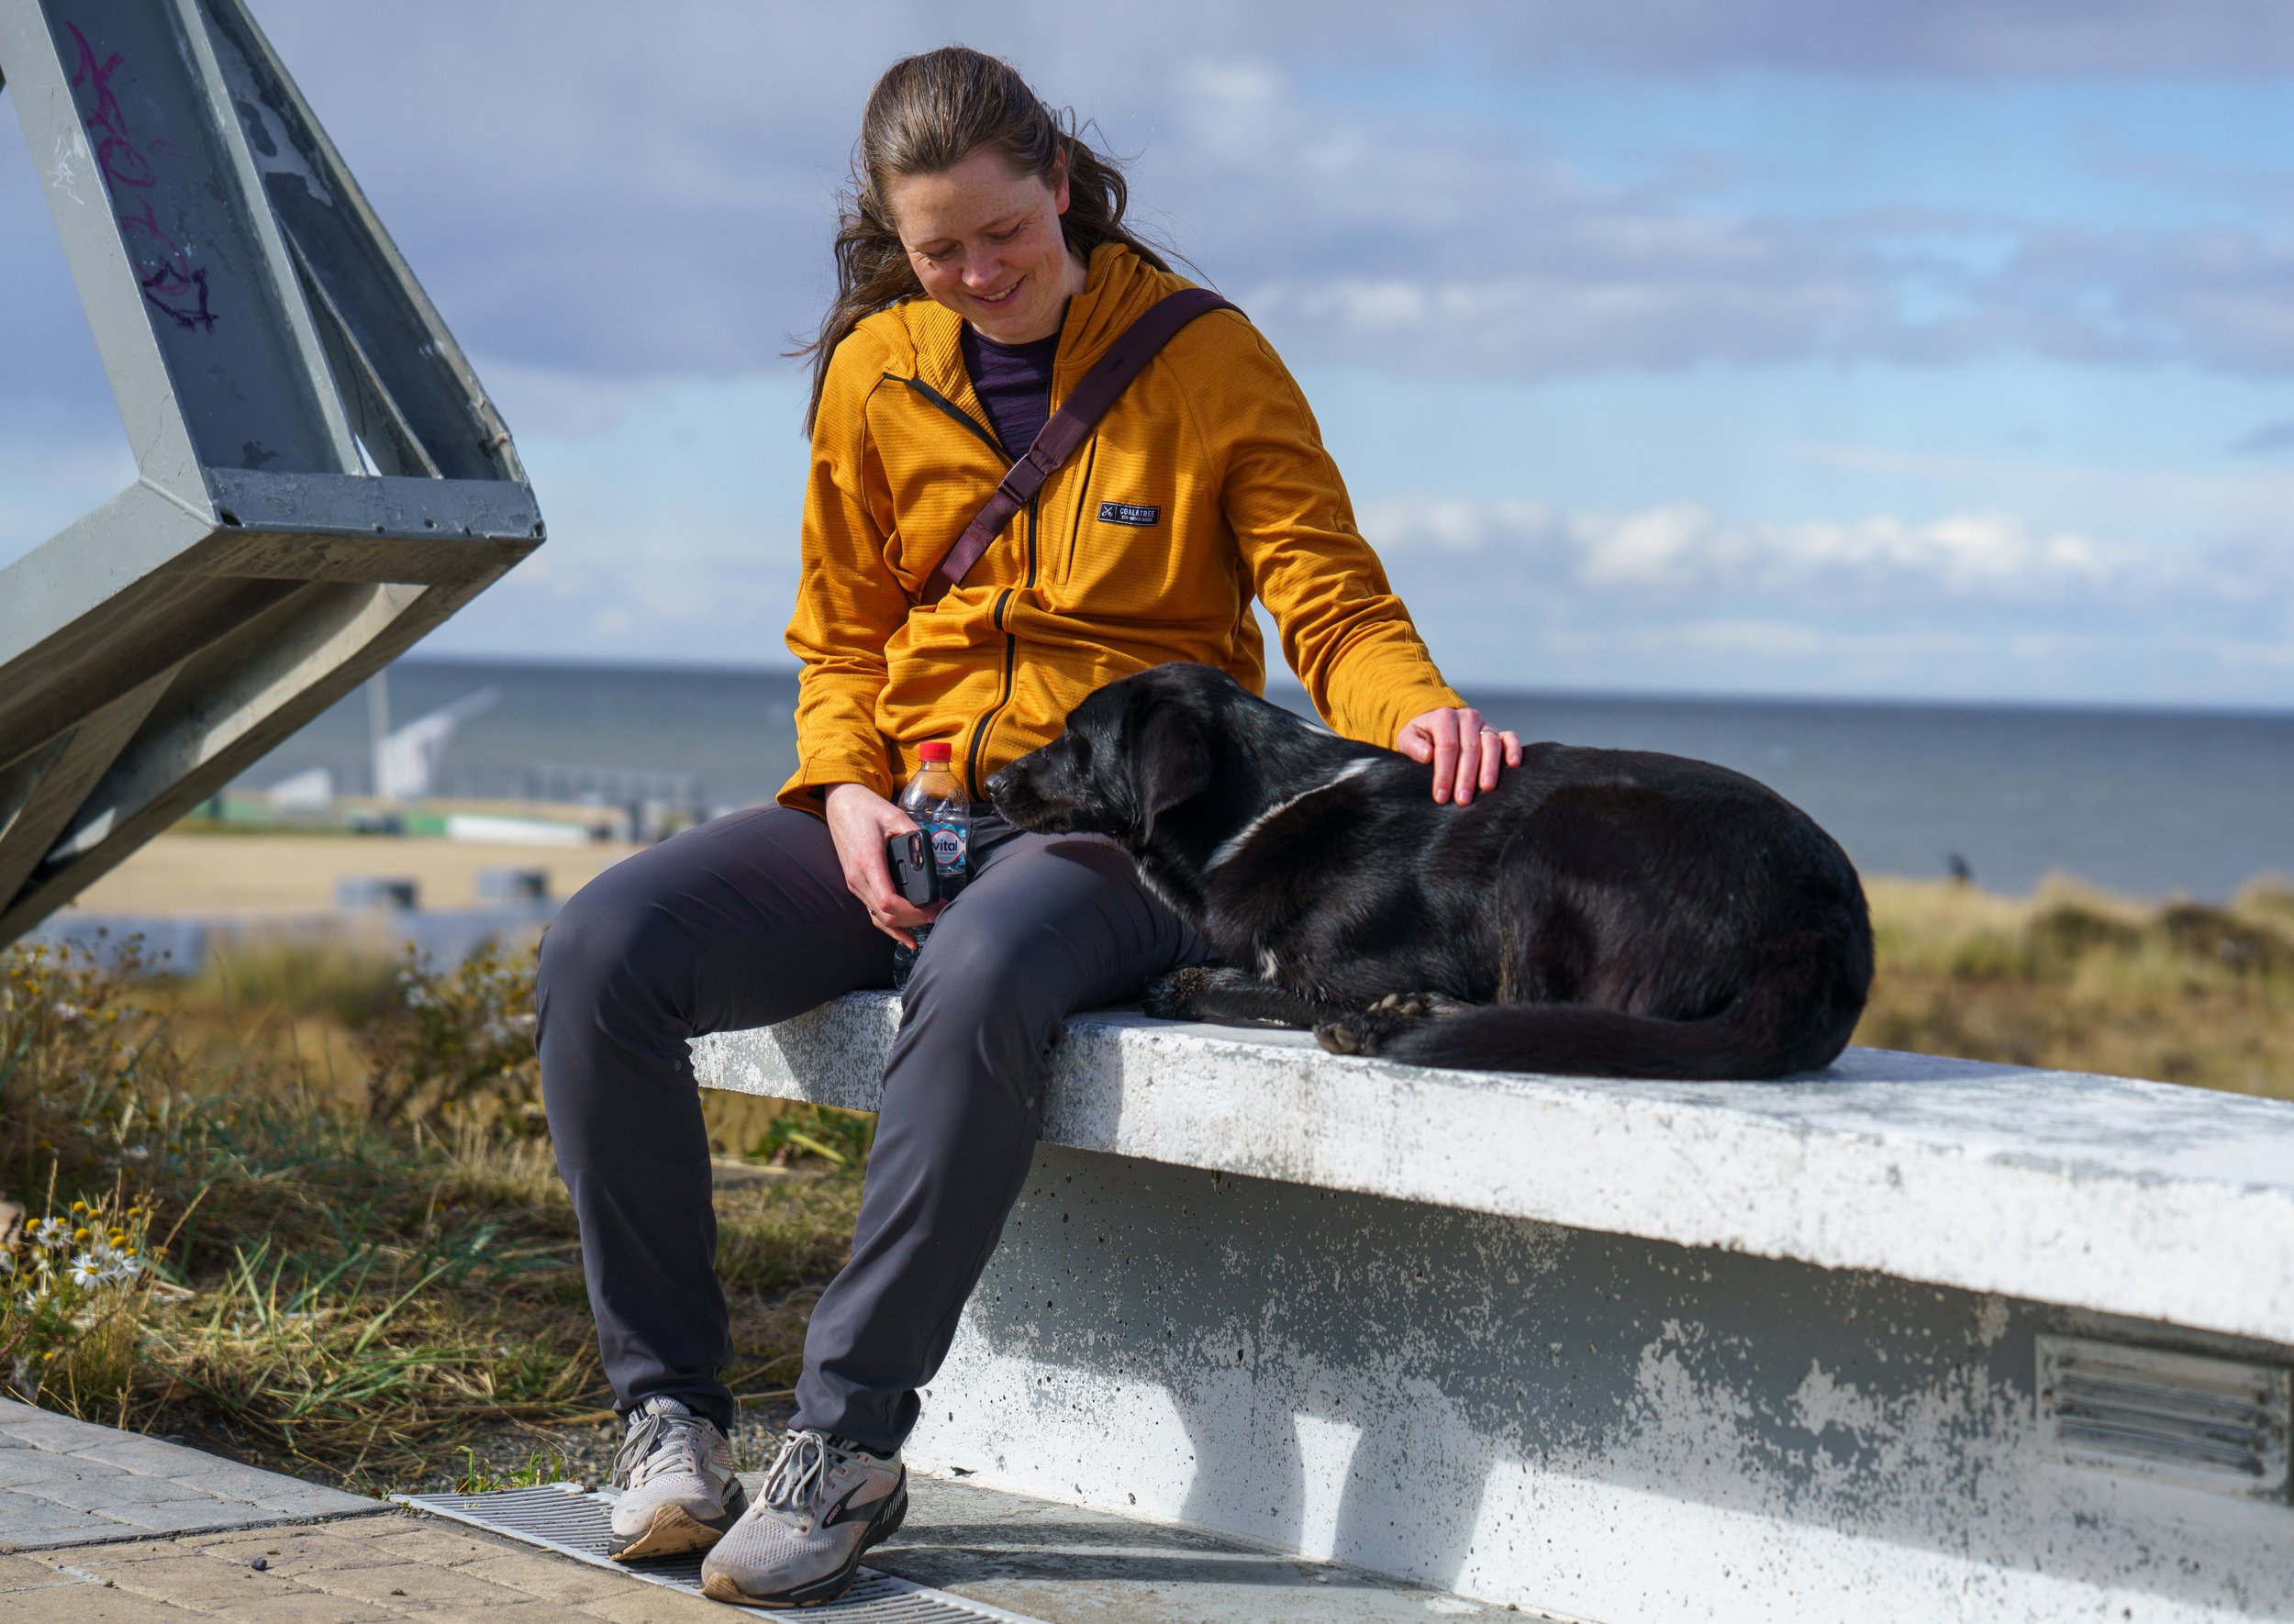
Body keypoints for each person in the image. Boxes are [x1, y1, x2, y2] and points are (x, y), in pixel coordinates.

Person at [535, 44, 1523, 1609]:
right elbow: (837, 636)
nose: (980, 274)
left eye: (1004, 235)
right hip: (909, 802)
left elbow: (1329, 595)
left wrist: (1417, 708)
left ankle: (846, 1441)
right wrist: (846, 790)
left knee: (984, 969)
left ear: (1057, 182)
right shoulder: (875, 372)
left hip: (1125, 834)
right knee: (605, 943)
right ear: (893, 239)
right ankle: (669, 1418)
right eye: (940, 252)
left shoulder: (1207, 358)